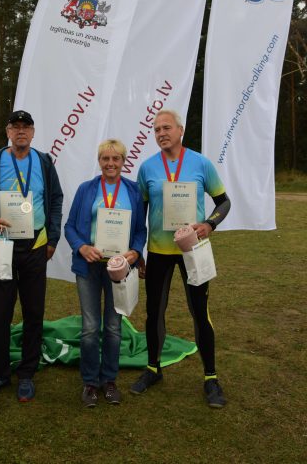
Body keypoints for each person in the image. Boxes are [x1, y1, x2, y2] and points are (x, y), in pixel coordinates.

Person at [130, 110, 231, 408]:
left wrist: (209, 224)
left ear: (180, 130)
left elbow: (223, 202)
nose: (161, 133)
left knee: (200, 312)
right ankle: (153, 369)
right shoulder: (147, 168)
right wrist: (138, 250)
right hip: (159, 252)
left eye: (166, 128)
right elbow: (139, 215)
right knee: (154, 313)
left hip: (192, 251)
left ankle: (211, 377)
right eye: (156, 129)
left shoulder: (201, 163)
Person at [0, 110, 63, 402]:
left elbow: (56, 199)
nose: (21, 131)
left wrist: (52, 238)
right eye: (15, 126)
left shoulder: (44, 162)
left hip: (35, 246)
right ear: (8, 131)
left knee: (33, 312)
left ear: (32, 132)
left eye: (26, 127)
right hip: (2, 244)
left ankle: (27, 374)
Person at [65, 139, 147, 407]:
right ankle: (90, 382)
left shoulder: (133, 191)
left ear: (123, 161)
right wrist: (82, 247)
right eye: (105, 158)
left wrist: (135, 251)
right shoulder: (86, 189)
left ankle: (109, 380)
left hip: (119, 268)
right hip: (89, 266)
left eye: (116, 159)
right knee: (90, 328)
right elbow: (70, 227)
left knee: (113, 327)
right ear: (99, 161)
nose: (110, 163)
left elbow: (140, 230)